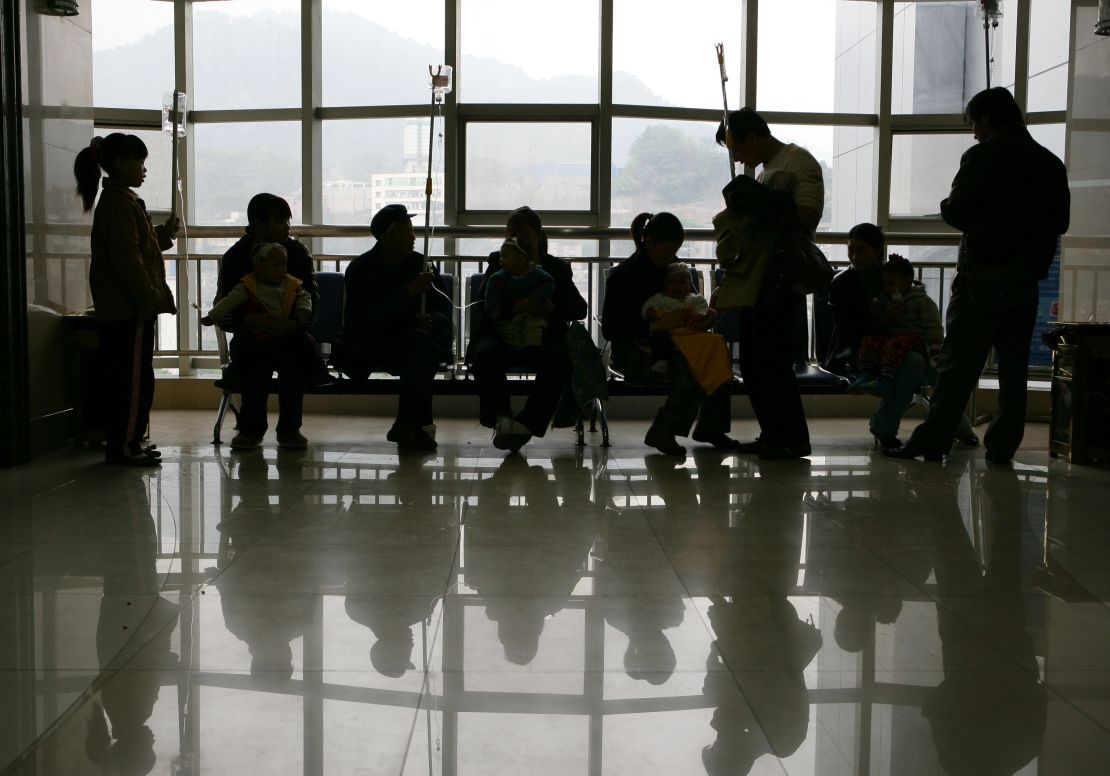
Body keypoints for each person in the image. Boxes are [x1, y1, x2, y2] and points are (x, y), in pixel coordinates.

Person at [886, 87, 1070, 464]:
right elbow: (1061, 222)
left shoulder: (981, 157)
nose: (973, 133)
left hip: (979, 282)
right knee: (1014, 367)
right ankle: (1002, 446)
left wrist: (948, 206)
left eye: (973, 124)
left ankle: (933, 440)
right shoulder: (1050, 164)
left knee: (958, 365)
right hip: (1024, 282)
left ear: (986, 119)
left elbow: (956, 212)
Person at [716, 107, 820, 460]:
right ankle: (774, 433)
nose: (739, 158)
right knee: (755, 363)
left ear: (752, 137)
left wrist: (764, 204)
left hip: (782, 278)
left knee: (774, 363)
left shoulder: (798, 162)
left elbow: (806, 216)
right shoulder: (764, 174)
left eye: (738, 150)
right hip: (758, 279)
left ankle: (793, 438)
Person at [74, 133, 178, 467]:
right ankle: (123, 445)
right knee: (132, 381)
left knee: (132, 377)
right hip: (128, 309)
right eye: (140, 162)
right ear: (120, 164)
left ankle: (129, 441)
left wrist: (163, 235)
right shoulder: (119, 204)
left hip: (125, 307)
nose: (144, 170)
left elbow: (139, 247)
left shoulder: (122, 201)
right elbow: (127, 259)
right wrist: (146, 297)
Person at [827, 224, 978, 450]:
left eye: (861, 250)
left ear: (878, 251)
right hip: (864, 348)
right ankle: (956, 427)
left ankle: (888, 426)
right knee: (914, 364)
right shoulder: (842, 283)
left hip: (899, 344)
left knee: (930, 369)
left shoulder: (890, 278)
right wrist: (884, 321)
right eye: (851, 250)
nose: (854, 256)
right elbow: (849, 330)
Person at [601, 212, 738, 457]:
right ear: (649, 242)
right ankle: (665, 430)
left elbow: (692, 302)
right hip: (632, 350)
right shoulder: (624, 276)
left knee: (716, 353)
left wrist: (704, 317)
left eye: (673, 252)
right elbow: (611, 328)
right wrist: (657, 325)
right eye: (666, 253)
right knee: (692, 367)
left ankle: (710, 426)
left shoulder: (673, 269)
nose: (669, 259)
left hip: (678, 344)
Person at [467, 206, 588, 453]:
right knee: (485, 354)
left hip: (541, 337)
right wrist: (515, 306)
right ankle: (501, 418)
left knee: (560, 359)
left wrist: (549, 309)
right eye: (510, 232)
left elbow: (578, 308)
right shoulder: (498, 260)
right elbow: (482, 303)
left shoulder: (555, 269)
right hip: (502, 334)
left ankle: (525, 423)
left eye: (522, 232)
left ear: (538, 233)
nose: (515, 237)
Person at [334, 204, 452, 451]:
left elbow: (442, 308)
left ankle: (410, 425)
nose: (413, 237)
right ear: (387, 236)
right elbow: (366, 321)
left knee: (420, 344)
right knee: (420, 350)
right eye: (406, 231)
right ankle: (417, 427)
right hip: (376, 345)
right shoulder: (361, 269)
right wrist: (408, 292)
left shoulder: (421, 264)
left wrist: (432, 320)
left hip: (414, 342)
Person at [215, 193, 319, 451]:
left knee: (292, 363)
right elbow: (224, 305)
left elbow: (311, 299)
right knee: (256, 364)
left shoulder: (296, 254)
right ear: (259, 225)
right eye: (281, 220)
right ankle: (253, 429)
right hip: (252, 333)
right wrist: (247, 320)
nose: (288, 227)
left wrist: (294, 323)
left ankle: (288, 429)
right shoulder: (236, 258)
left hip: (289, 332)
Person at [204, 241, 328, 388]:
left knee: (307, 344)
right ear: (258, 267)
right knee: (243, 347)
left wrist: (303, 313)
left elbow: (305, 297)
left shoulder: (290, 284)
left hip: (285, 330)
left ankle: (319, 373)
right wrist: (213, 316)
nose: (281, 270)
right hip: (258, 332)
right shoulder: (248, 286)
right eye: (276, 265)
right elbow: (228, 302)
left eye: (284, 265)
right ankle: (234, 374)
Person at [849, 254, 943, 396]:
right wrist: (877, 311)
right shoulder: (885, 300)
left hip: (915, 339)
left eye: (891, 283)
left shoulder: (921, 301)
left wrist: (934, 346)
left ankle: (886, 380)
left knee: (896, 344)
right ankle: (865, 375)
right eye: (884, 284)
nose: (886, 288)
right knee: (869, 341)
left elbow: (933, 325)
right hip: (893, 338)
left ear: (907, 282)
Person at [641, 261, 714, 374]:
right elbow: (648, 305)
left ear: (690, 285)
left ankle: (706, 361)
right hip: (668, 333)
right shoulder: (660, 298)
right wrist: (649, 312)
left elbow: (703, 307)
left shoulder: (695, 299)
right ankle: (662, 360)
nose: (677, 286)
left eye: (683, 283)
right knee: (659, 337)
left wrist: (700, 315)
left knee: (709, 338)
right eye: (672, 282)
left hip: (689, 332)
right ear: (664, 285)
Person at [483, 237, 556, 350]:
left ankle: (530, 352)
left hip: (533, 315)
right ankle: (515, 352)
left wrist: (535, 297)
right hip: (508, 317)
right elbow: (492, 293)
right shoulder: (498, 278)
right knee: (509, 334)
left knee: (534, 332)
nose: (501, 260)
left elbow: (549, 283)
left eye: (505, 257)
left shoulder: (537, 274)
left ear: (520, 260)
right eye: (501, 256)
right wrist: (494, 309)